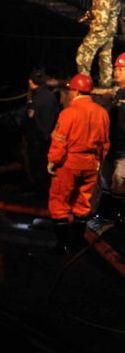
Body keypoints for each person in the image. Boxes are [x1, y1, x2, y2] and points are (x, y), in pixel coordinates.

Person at [47, 74, 110, 254]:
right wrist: (98, 161)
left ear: (75, 90)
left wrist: (53, 161)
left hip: (69, 162)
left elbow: (60, 141)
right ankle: (77, 243)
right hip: (91, 163)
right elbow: (105, 143)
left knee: (60, 202)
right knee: (83, 203)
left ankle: (62, 246)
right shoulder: (102, 112)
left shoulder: (69, 112)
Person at [76, 0, 122, 88]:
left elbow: (102, 16)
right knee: (105, 56)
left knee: (83, 53)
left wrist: (94, 31)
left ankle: (84, 83)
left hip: (101, 29)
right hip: (111, 28)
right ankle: (106, 84)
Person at [24, 70, 60, 193]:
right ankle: (48, 189)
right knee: (49, 166)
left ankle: (39, 192)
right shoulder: (51, 96)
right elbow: (56, 114)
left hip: (38, 140)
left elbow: (34, 121)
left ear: (30, 82)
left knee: (37, 166)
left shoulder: (34, 100)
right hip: (50, 137)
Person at [100, 53, 125, 220]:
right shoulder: (118, 93)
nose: (116, 72)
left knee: (120, 183)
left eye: (121, 69)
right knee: (109, 184)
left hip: (123, 150)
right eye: (116, 69)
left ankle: (119, 218)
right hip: (114, 148)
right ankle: (110, 216)